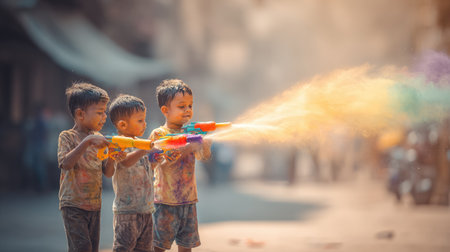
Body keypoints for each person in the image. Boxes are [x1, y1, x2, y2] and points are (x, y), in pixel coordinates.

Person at [150, 79, 211, 252]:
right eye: (182, 106)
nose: (188, 110)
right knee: (159, 245)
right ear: (165, 110)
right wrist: (184, 149)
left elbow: (203, 157)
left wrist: (205, 146)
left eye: (190, 106)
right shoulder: (159, 134)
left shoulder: (192, 133)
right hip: (165, 201)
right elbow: (152, 162)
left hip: (189, 200)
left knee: (186, 246)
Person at [57, 83, 117, 252]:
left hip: (94, 205)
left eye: (104, 112)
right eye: (99, 112)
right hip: (73, 205)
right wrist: (86, 142)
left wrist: (112, 157)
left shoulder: (97, 138)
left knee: (91, 248)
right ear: (80, 114)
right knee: (82, 248)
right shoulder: (68, 137)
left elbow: (107, 173)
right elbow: (65, 163)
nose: (104, 117)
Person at [106, 94, 158, 252]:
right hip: (127, 212)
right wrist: (144, 149)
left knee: (144, 248)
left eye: (144, 119)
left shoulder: (140, 144)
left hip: (146, 210)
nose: (144, 124)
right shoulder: (118, 144)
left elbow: (149, 168)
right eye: (140, 120)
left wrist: (158, 158)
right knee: (123, 248)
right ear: (122, 124)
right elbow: (126, 161)